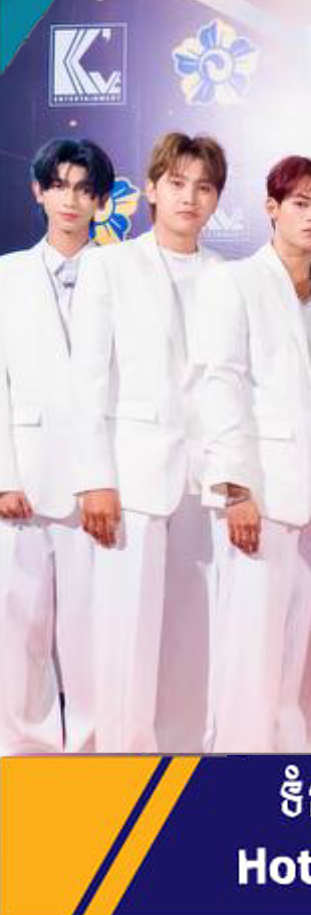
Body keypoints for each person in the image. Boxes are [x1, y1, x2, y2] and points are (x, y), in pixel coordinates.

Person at [71, 132, 227, 753]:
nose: (190, 198)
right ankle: (124, 769)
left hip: (206, 483)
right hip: (131, 480)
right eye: (178, 183)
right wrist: (95, 479)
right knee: (126, 638)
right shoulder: (108, 266)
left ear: (216, 199)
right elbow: (88, 381)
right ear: (153, 188)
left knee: (196, 636)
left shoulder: (228, 276)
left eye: (204, 187)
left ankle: (187, 765)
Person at [194, 155, 311, 753]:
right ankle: (239, 774)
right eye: (301, 203)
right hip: (259, 494)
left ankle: (301, 772)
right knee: (249, 649)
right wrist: (236, 489)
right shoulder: (233, 282)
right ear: (271, 208)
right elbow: (220, 385)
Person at [0, 138, 111, 753]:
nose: (71, 200)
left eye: (85, 189)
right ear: (37, 191)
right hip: (23, 479)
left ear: (101, 201)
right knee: (18, 630)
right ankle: (22, 756)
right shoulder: (6, 275)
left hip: (100, 488)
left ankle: (94, 754)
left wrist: (110, 479)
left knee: (94, 634)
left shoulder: (121, 275)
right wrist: (4, 476)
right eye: (59, 186)